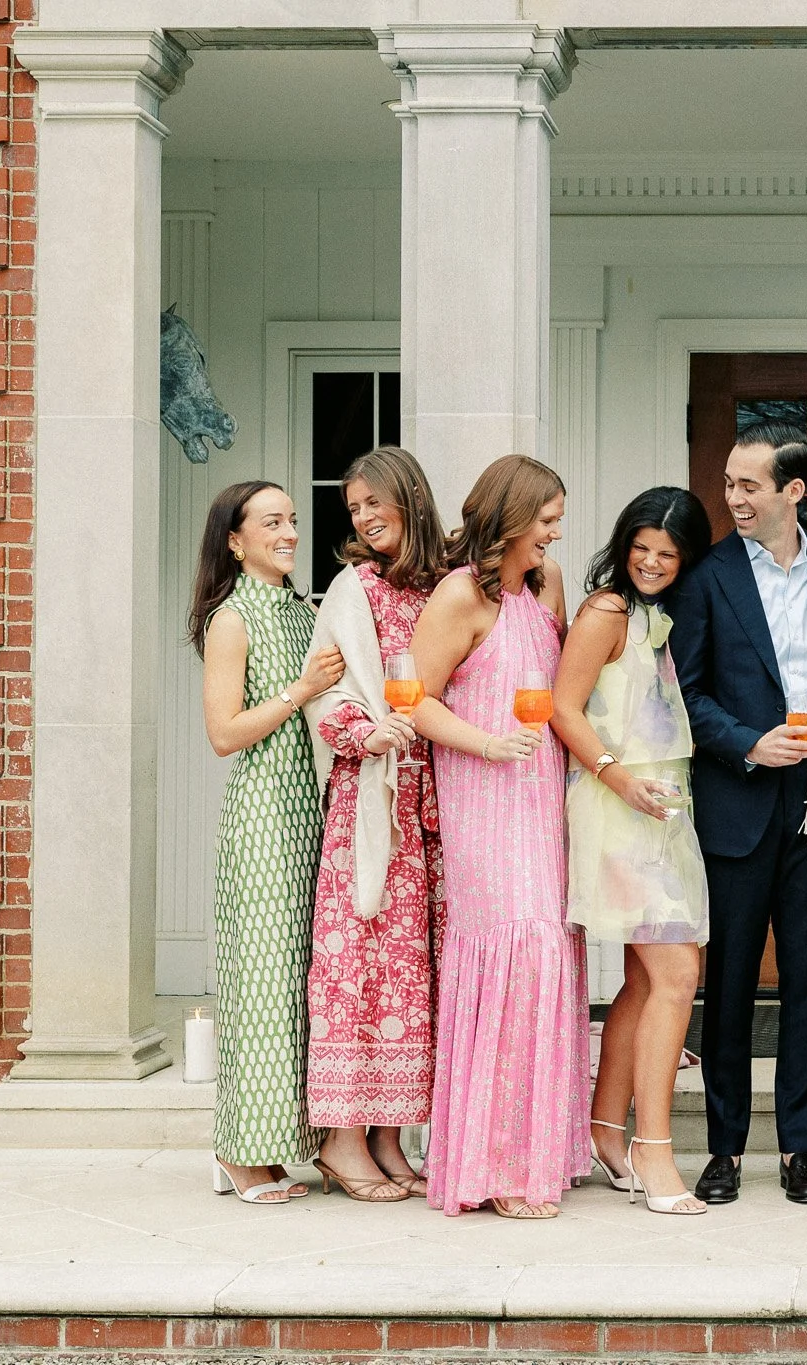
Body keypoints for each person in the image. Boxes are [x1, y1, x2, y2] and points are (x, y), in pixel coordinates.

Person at [669, 422, 807, 1206]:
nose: (733, 497)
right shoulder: (707, 576)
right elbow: (685, 692)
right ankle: (723, 1147)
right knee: (735, 981)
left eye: (749, 484)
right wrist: (750, 743)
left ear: (793, 490)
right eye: (730, 482)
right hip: (740, 798)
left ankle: (800, 1147)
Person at [409, 455, 589, 1219]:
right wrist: (484, 743)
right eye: (547, 515)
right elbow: (413, 699)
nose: (555, 528)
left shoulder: (545, 587)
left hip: (542, 795)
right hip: (485, 794)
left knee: (548, 952)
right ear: (511, 517)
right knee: (511, 960)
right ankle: (495, 1163)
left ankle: (537, 1150)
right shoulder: (459, 595)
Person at [551, 487, 715, 1217]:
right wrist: (619, 778)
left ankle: (604, 1129)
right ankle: (654, 1148)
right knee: (677, 972)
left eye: (667, 552)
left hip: (664, 810)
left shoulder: (659, 617)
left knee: (651, 983)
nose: (650, 561)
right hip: (619, 805)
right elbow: (562, 707)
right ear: (624, 545)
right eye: (641, 546)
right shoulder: (606, 611)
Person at [299, 446, 448, 1203]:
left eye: (372, 502)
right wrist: (368, 732)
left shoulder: (444, 586)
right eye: (353, 507)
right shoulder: (351, 588)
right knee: (363, 967)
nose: (361, 516)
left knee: (414, 974)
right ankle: (342, 1140)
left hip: (435, 805)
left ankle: (392, 1134)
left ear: (408, 497)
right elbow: (325, 694)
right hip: (373, 803)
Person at [192, 481, 343, 1206]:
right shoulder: (233, 618)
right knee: (258, 986)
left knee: (293, 989)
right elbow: (223, 734)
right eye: (270, 522)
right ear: (235, 539)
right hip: (260, 819)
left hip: (306, 811)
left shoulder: (299, 608)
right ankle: (238, 1152)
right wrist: (301, 689)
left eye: (291, 519)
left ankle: (274, 1144)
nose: (288, 531)